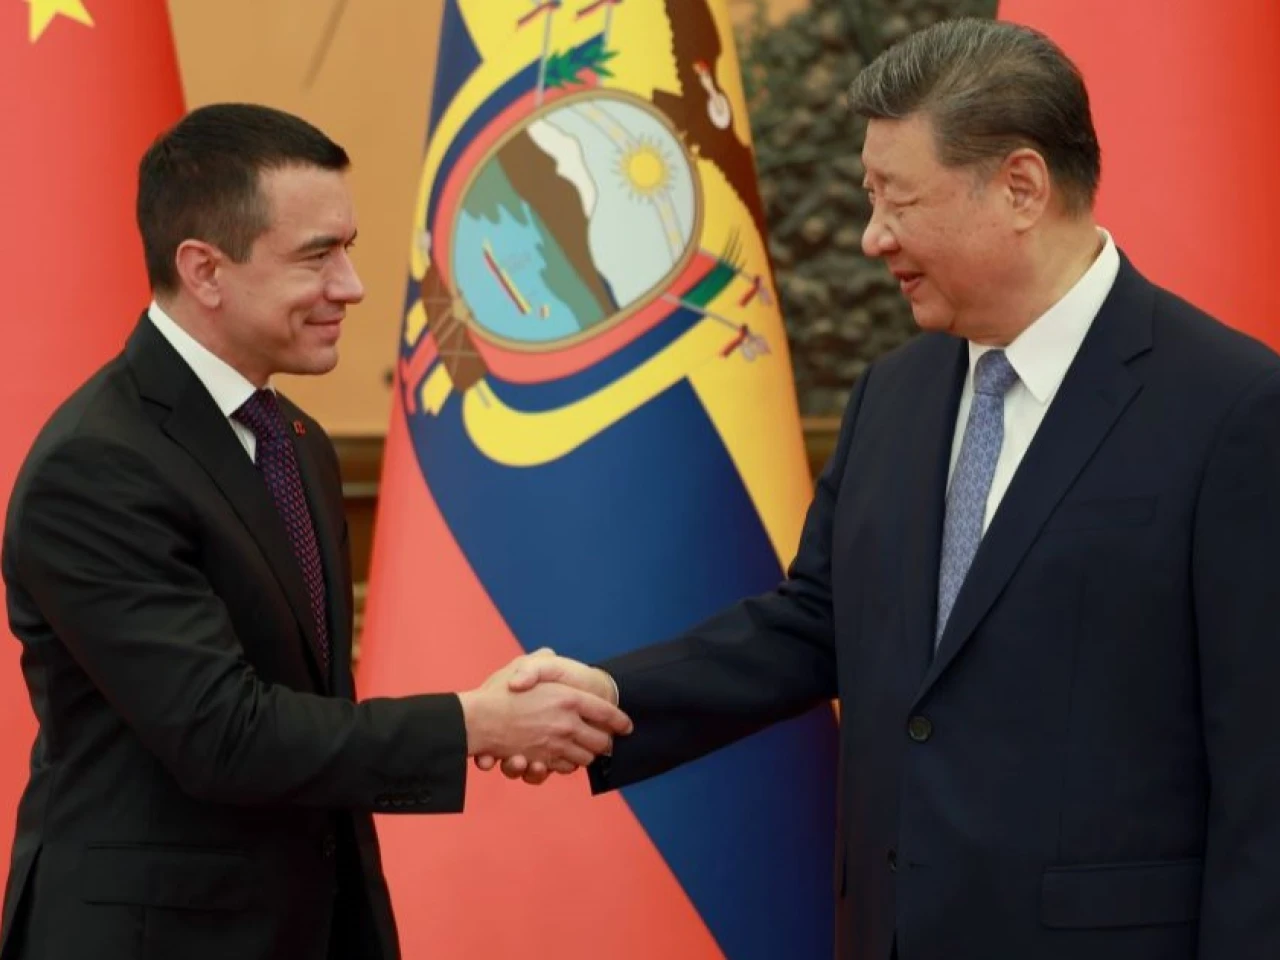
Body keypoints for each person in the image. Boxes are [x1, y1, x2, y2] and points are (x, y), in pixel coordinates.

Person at [484, 18, 1280, 960]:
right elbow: (817, 624)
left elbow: (1262, 769)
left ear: (1021, 187)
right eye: (868, 199)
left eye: (898, 201)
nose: (872, 238)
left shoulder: (1232, 406)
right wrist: (610, 696)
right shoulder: (894, 394)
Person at [0, 103, 630, 960]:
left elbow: (313, 712)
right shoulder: (97, 465)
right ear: (205, 270)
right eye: (316, 255)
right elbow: (224, 735)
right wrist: (474, 724)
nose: (352, 286)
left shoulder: (295, 441)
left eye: (349, 248)